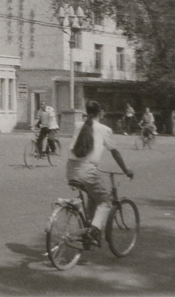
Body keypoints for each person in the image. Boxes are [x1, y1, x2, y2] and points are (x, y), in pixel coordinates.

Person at [67, 100, 133, 248]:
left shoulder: (78, 125)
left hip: (71, 170)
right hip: (87, 171)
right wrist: (126, 170)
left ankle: (89, 232)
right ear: (100, 112)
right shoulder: (104, 129)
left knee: (93, 196)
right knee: (105, 201)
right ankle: (93, 230)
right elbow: (115, 152)